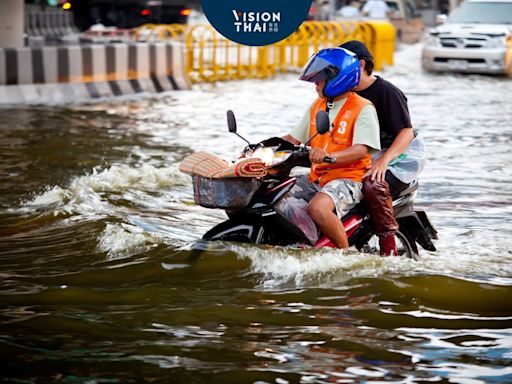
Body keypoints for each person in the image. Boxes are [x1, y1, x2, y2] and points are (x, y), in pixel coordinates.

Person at [281, 48, 381, 249]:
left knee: (318, 208)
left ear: (338, 79)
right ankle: (302, 242)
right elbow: (293, 138)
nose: (315, 84)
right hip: (316, 176)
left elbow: (362, 149)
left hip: (349, 178)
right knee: (276, 197)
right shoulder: (318, 105)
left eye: (319, 79)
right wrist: (258, 150)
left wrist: (329, 157)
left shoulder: (363, 108)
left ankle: (343, 257)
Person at [339, 40, 427, 256]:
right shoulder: (341, 93)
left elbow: (406, 132)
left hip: (398, 157)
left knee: (372, 184)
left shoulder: (387, 92)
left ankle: (388, 248)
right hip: (363, 154)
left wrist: (384, 160)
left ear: (359, 65)